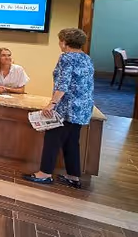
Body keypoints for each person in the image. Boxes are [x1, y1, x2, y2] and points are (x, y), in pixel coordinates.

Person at [24, 28, 95, 189]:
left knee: (52, 139)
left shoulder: (67, 58)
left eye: (60, 41)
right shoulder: (86, 58)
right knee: (71, 142)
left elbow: (63, 84)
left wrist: (52, 104)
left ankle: (44, 174)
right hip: (82, 108)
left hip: (67, 108)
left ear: (64, 42)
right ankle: (73, 176)